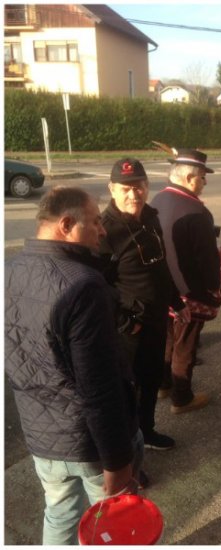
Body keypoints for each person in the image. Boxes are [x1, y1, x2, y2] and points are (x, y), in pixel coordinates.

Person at [5, 187, 142, 544]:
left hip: (40, 437)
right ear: (66, 224)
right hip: (89, 446)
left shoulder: (8, 270)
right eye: (95, 221)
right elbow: (100, 386)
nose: (102, 230)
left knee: (61, 514)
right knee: (116, 527)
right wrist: (117, 462)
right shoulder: (82, 284)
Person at [100, 158, 189, 453]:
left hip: (156, 318)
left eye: (138, 186)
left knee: (151, 380)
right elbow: (97, 288)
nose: (133, 194)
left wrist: (176, 301)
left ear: (147, 187)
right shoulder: (105, 232)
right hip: (129, 328)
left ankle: (146, 433)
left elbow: (160, 266)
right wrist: (126, 322)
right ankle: (129, 455)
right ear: (112, 189)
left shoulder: (151, 217)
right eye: (125, 188)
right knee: (128, 391)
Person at [150, 148, 221, 414]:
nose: (204, 183)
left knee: (166, 340)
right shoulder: (197, 212)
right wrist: (213, 288)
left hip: (163, 289)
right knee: (185, 347)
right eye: (203, 178)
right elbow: (208, 261)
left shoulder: (157, 200)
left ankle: (163, 385)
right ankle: (182, 398)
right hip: (190, 294)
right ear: (192, 178)